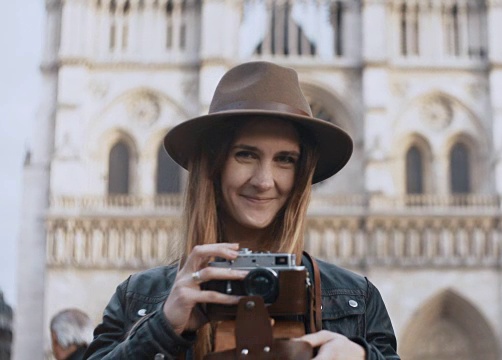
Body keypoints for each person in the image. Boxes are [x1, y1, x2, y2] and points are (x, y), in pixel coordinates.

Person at [84, 61, 399, 359]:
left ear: (302, 174)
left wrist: (361, 356)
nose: (264, 181)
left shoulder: (357, 298)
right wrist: (163, 327)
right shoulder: (139, 297)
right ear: (214, 165)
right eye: (246, 155)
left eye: (285, 160)